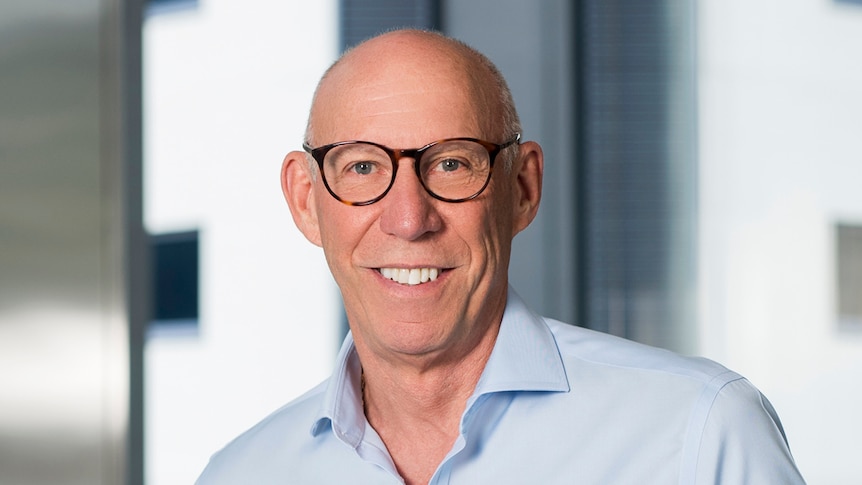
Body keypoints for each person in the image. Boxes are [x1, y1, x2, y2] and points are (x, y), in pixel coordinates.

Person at [196, 29, 805, 484]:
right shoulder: (238, 474)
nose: (409, 219)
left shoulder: (701, 437)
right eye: (361, 166)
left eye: (452, 164)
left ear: (523, 189)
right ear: (306, 201)